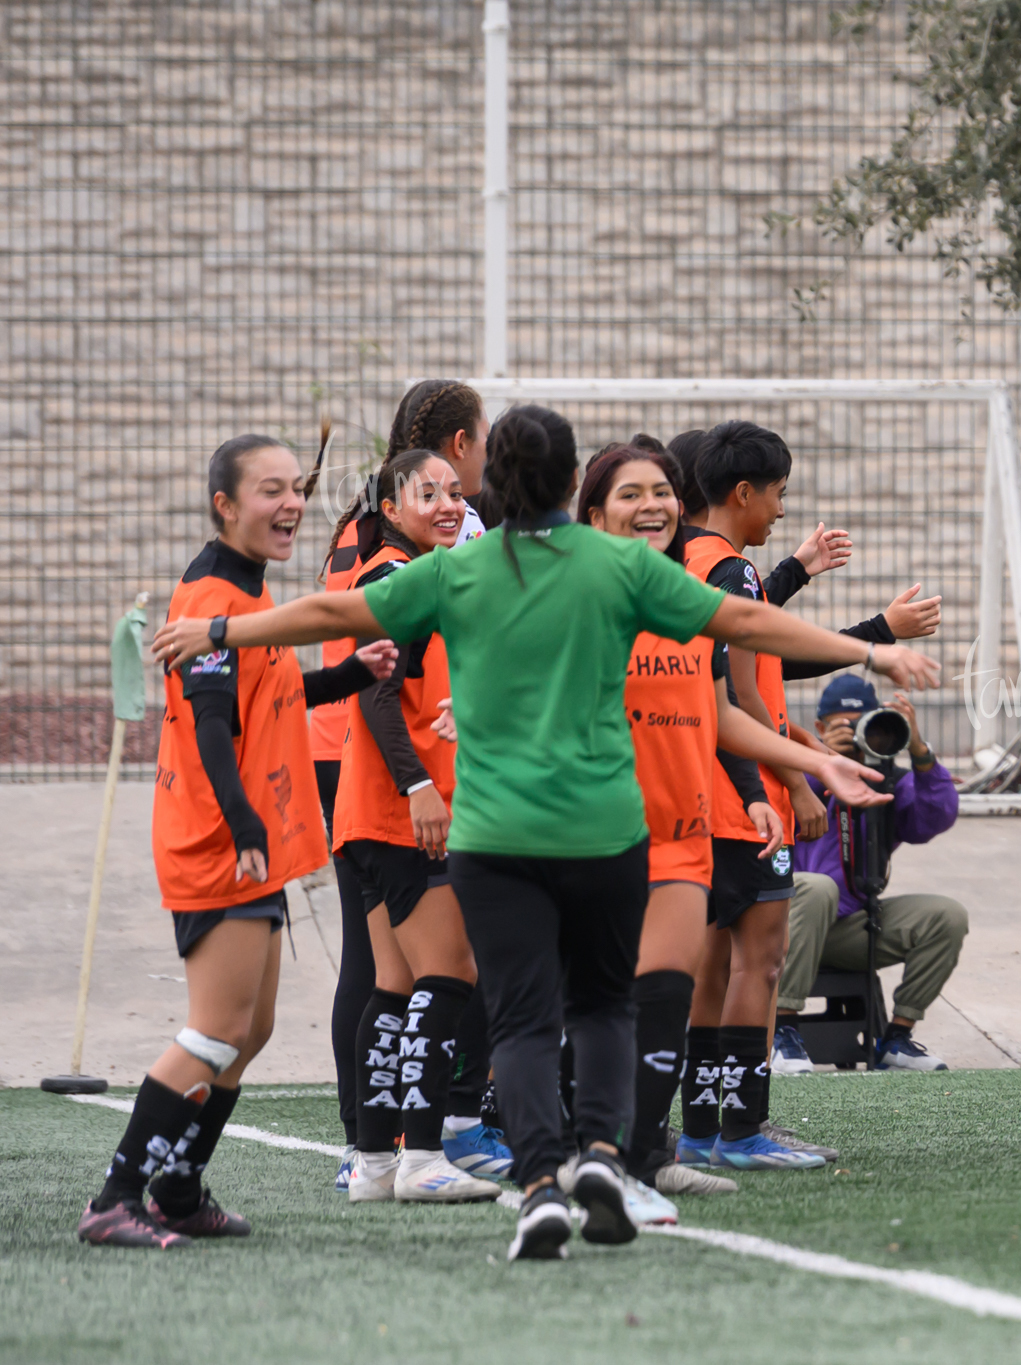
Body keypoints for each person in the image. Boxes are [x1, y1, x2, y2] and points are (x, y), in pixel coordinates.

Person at [152, 404, 941, 1262]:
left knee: (525, 1020)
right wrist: (873, 652)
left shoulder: (461, 570)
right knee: (606, 1008)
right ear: (576, 485)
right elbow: (746, 624)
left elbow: (337, 618)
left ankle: (537, 1187)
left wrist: (223, 627)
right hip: (605, 831)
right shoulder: (616, 571)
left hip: (495, 839)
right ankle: (602, 1156)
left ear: (499, 487)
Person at [80, 435, 397, 1249]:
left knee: (248, 1031)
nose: (290, 503)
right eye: (269, 490)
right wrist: (245, 822)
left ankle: (180, 1189)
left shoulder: (248, 600)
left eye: (296, 488)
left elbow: (279, 691)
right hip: (218, 842)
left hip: (249, 843)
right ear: (224, 504)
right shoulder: (211, 599)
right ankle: (115, 1196)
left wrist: (355, 671)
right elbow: (214, 722)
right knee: (216, 1029)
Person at [575, 440, 892, 1193]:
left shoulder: (680, 576)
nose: (782, 508)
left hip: (698, 803)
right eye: (777, 492)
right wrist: (796, 773)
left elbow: (731, 683)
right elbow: (751, 682)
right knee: (751, 962)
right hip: (694, 810)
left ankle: (684, 1135)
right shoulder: (713, 572)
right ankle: (730, 1128)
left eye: (661, 491)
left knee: (693, 974)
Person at [312, 379, 504, 1191]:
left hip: (373, 803)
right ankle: (422, 1152)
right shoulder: (404, 576)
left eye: (457, 493)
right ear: (391, 504)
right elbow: (382, 694)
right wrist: (423, 784)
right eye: (431, 493)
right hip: (398, 809)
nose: (452, 504)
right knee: (448, 973)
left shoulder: (404, 562)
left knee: (392, 981)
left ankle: (372, 1157)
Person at [773, 676, 968, 1074]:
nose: (855, 734)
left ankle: (895, 1039)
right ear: (821, 729)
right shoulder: (792, 774)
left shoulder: (886, 781)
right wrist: (823, 764)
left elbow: (936, 817)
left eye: (864, 724)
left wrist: (919, 752)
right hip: (781, 923)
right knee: (817, 887)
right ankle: (782, 1032)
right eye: (842, 726)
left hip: (850, 929)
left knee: (947, 916)